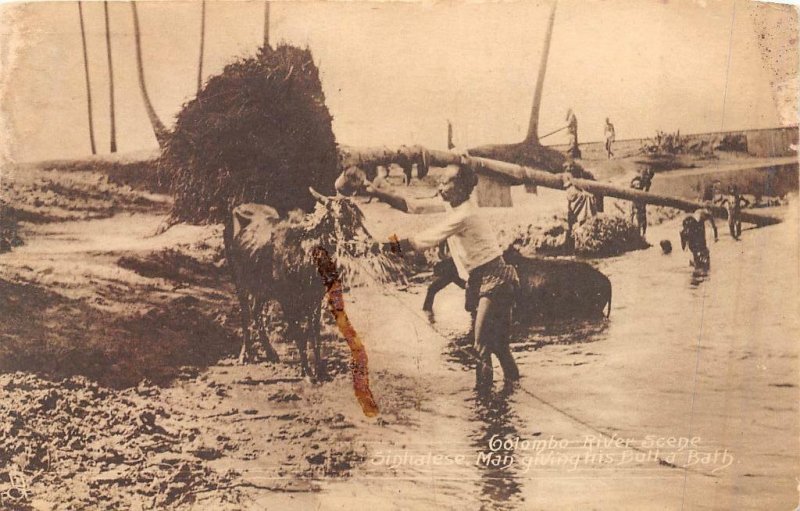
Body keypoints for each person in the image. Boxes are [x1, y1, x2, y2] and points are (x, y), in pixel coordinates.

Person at [376, 159, 520, 391]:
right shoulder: (454, 207)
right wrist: (375, 191)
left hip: (494, 278)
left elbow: (421, 241)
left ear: (463, 187)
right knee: (500, 348)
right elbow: (413, 206)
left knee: (481, 347)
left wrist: (383, 247)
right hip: (486, 278)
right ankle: (507, 401)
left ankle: (482, 406)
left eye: (446, 182)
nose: (441, 186)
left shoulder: (464, 215)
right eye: (440, 182)